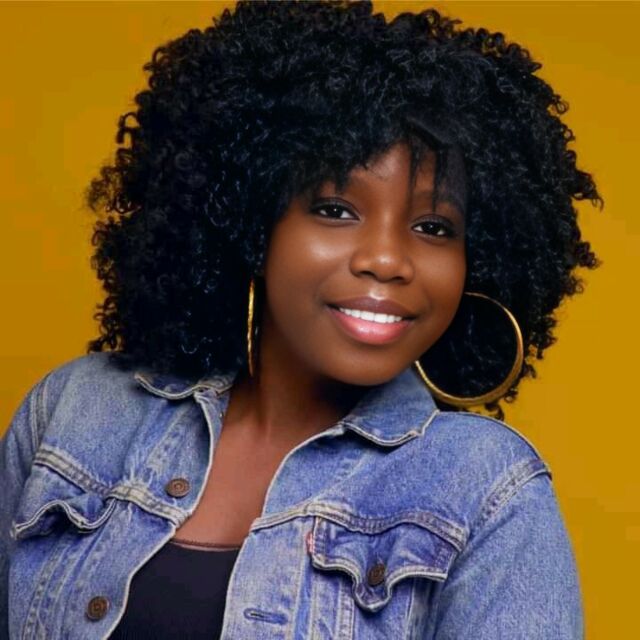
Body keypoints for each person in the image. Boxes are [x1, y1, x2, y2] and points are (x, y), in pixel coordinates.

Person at [0, 1, 601, 638]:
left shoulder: (488, 490)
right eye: (336, 210)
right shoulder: (78, 412)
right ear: (251, 225)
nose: (387, 260)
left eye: (433, 227)